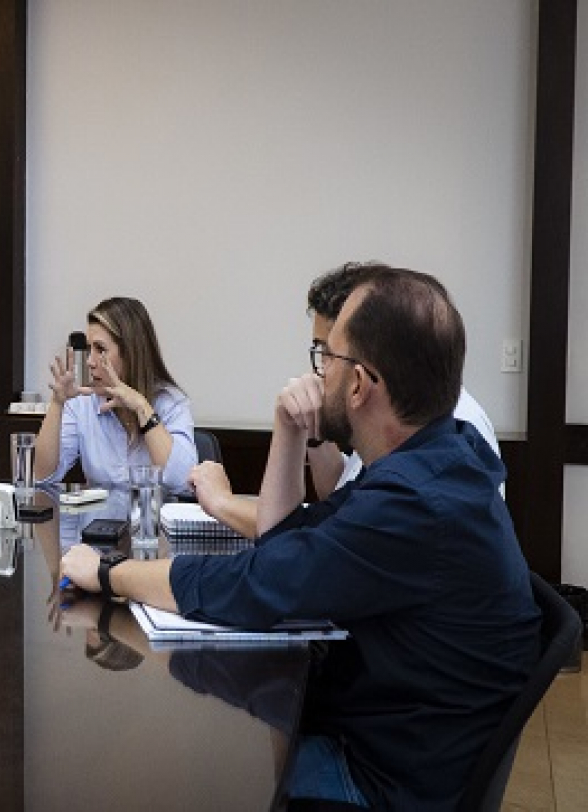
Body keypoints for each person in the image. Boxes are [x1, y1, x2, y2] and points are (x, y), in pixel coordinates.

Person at [60, 266, 541, 810]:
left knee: (176, 777)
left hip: (383, 784)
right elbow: (287, 543)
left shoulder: (415, 503)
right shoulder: (436, 460)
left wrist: (107, 573)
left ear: (359, 383)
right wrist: (290, 430)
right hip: (396, 741)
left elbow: (258, 579)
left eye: (325, 357)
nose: (314, 377)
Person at [196, 261, 502, 538]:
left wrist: (224, 503)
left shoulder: (439, 433)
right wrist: (312, 429)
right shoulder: (396, 431)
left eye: (328, 352)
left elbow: (307, 544)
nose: (320, 371)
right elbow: (338, 497)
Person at [33, 297, 197, 494]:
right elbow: (42, 477)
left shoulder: (170, 402)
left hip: (151, 522)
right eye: (88, 349)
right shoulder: (82, 403)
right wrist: (58, 403)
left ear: (131, 353)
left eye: (100, 349)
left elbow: (183, 481)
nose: (90, 362)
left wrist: (141, 407)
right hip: (99, 523)